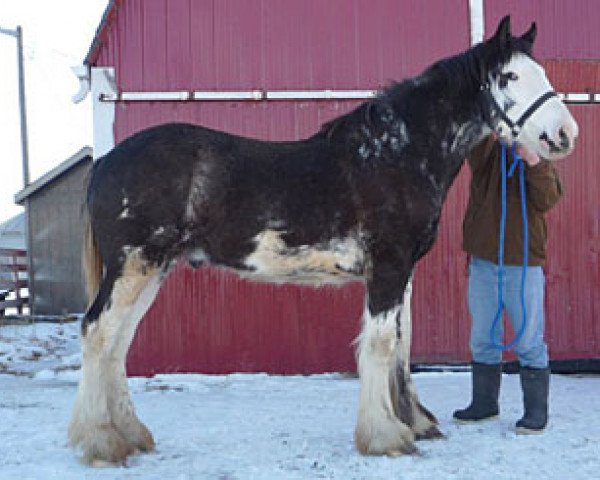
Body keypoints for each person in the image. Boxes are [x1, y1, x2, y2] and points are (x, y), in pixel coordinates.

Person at [453, 134, 563, 433]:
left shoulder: (541, 147)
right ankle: (485, 404)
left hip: (523, 264)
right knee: (482, 338)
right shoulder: (487, 149)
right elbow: (472, 149)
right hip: (484, 261)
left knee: (528, 340)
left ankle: (536, 413)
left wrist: (533, 160)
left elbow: (549, 198)